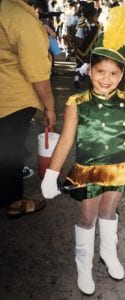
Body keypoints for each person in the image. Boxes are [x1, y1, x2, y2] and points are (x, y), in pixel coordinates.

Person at [41, 6, 125, 296]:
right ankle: (83, 262)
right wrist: (51, 174)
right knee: (87, 218)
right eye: (100, 71)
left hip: (119, 168)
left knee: (109, 212)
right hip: (88, 171)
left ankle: (108, 252)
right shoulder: (77, 101)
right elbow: (66, 141)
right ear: (90, 70)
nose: (106, 78)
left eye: (113, 73)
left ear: (121, 74)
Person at [0, 0, 56, 217]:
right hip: (12, 99)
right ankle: (14, 203)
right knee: (10, 152)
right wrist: (49, 108)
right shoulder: (20, 17)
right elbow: (37, 73)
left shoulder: (9, 11)